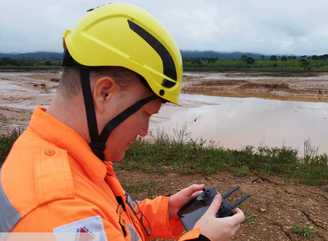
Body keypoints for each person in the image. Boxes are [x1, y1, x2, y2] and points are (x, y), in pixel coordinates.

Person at [0, 3, 244, 241]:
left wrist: (165, 212)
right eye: (146, 113)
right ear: (105, 93)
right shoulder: (59, 210)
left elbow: (113, 223)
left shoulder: (75, 159)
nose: (145, 131)